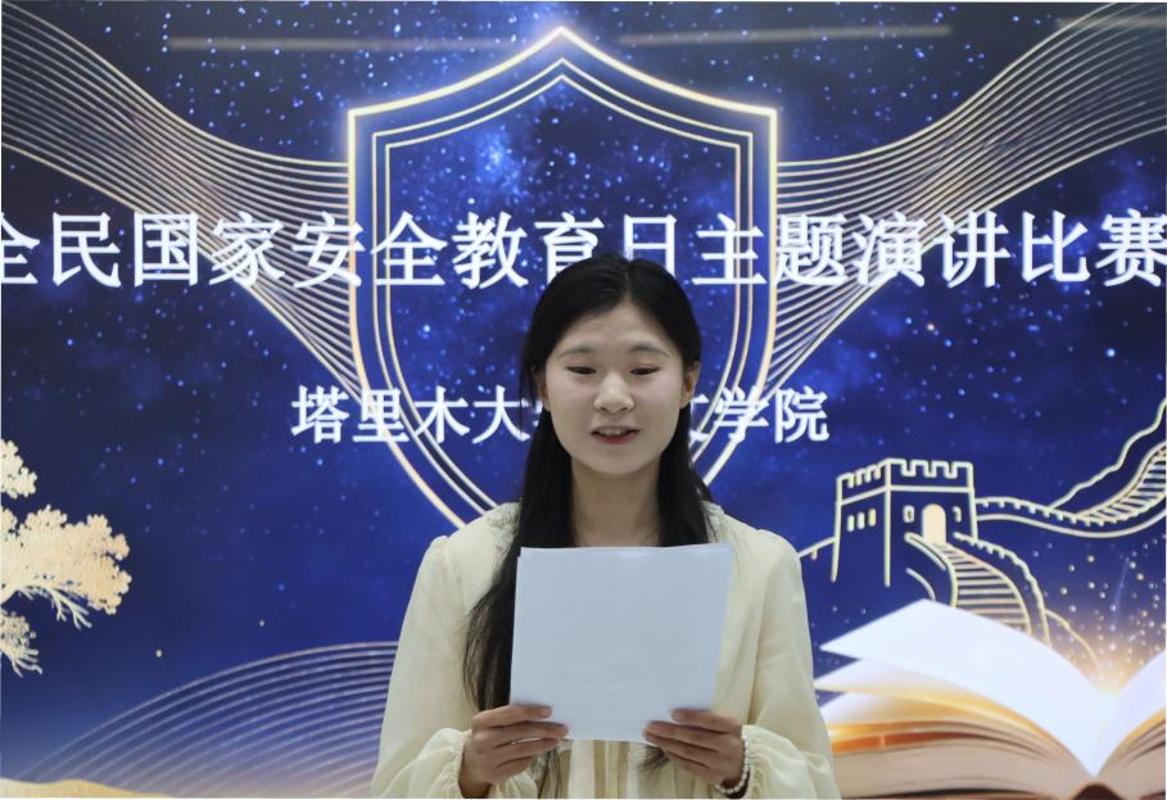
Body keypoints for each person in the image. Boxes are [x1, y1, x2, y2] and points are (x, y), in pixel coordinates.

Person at [371, 253, 838, 798]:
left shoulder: (759, 567)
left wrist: (742, 769)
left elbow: (813, 781)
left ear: (688, 382)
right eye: (582, 370)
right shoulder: (463, 565)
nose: (614, 399)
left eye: (643, 370)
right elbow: (397, 784)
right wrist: (470, 771)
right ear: (543, 385)